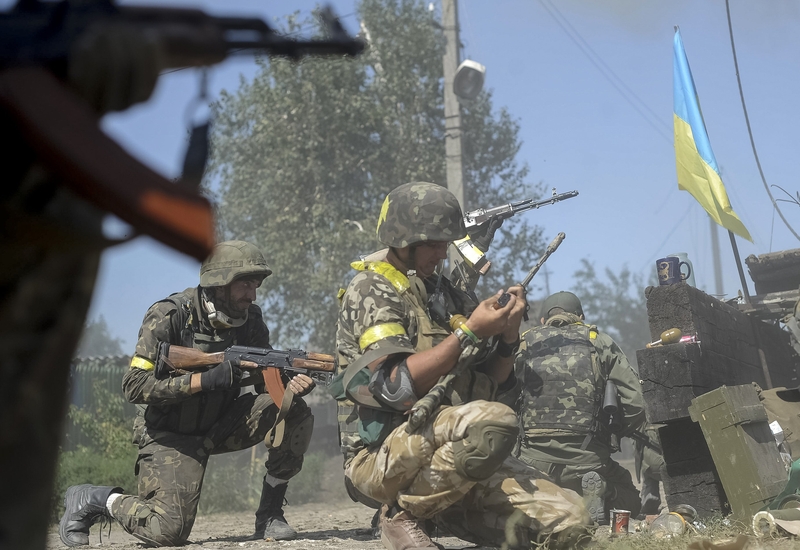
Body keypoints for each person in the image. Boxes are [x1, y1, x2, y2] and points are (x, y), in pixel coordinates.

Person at [332, 182, 590, 550]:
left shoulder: (445, 293)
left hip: (453, 453)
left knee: (573, 522)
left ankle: (445, 511)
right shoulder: (371, 288)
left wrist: (507, 336)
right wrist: (469, 332)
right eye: (433, 244)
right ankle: (401, 515)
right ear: (403, 240)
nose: (442, 253)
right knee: (491, 423)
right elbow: (393, 387)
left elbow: (492, 388)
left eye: (445, 243)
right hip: (380, 457)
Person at [59, 240, 316, 547]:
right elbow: (134, 385)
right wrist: (202, 381)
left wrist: (289, 383)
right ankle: (95, 499)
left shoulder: (251, 320)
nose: (253, 295)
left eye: (256, 285)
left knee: (294, 409)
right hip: (169, 434)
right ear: (219, 283)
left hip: (220, 425)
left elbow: (265, 385)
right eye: (245, 284)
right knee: (167, 531)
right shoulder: (169, 315)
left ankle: (270, 515)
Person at [514, 291, 646, 524]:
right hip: (588, 459)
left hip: (533, 461)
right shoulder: (599, 341)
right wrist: (615, 433)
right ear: (581, 317)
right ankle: (603, 490)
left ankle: (548, 495)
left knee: (526, 489)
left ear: (543, 320)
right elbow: (635, 402)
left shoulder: (524, 344)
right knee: (631, 501)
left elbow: (502, 394)